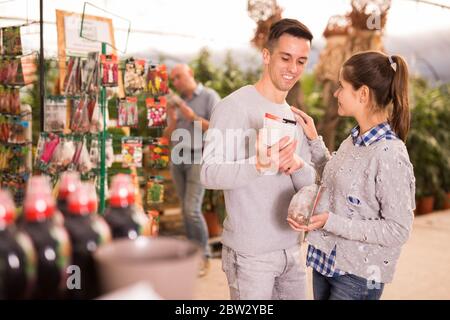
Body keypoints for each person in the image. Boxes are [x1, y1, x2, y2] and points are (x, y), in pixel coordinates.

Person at [200, 19, 316, 300]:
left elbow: (309, 182)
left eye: (301, 61)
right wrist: (258, 164)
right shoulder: (233, 107)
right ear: (266, 55)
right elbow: (208, 173)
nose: (293, 69)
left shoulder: (293, 115)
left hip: (291, 250)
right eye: (285, 58)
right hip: (250, 255)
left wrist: (298, 165)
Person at [288, 51, 416, 300]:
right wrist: (314, 140)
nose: (336, 93)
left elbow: (398, 229)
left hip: (356, 275)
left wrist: (330, 221)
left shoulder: (390, 153)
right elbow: (336, 181)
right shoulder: (354, 139)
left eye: (341, 86)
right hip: (325, 261)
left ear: (363, 93)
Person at [163, 64, 220, 277]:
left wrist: (193, 117)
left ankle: (203, 255)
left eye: (178, 77)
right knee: (185, 212)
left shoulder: (209, 96)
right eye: (173, 79)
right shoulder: (178, 102)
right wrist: (173, 119)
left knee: (191, 209)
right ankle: (191, 256)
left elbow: (219, 128)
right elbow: (168, 135)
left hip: (198, 157)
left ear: (191, 74)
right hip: (177, 158)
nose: (175, 82)